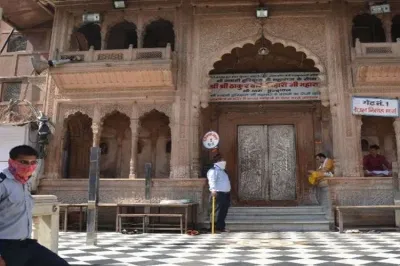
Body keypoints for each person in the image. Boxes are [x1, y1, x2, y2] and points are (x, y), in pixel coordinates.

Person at [0, 145, 70, 266]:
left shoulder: (25, 182)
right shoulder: (3, 183)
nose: (29, 166)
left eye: (33, 162)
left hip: (26, 244)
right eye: (23, 162)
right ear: (11, 162)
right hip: (5, 246)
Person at [207, 153, 231, 233]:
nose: (224, 161)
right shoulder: (213, 170)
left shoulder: (222, 171)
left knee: (223, 211)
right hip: (218, 193)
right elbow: (212, 180)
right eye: (222, 160)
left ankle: (221, 227)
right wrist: (213, 190)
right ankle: (213, 228)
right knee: (216, 211)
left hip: (225, 194)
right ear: (218, 161)